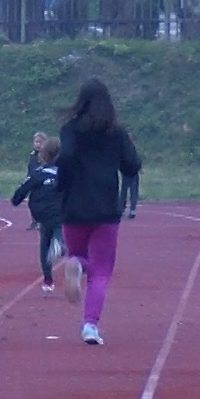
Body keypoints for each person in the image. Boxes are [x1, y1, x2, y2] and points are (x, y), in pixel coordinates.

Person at [55, 79, 142, 345]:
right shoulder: (116, 133)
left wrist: (62, 184)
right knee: (101, 272)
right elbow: (132, 165)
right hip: (105, 207)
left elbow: (65, 157)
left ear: (80, 101)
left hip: (74, 206)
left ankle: (75, 264)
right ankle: (90, 326)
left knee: (78, 255)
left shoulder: (70, 130)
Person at [10, 135, 64, 293]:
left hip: (42, 212)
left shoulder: (37, 174)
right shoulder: (67, 174)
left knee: (44, 242)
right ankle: (60, 242)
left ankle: (48, 281)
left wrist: (15, 200)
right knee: (60, 227)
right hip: (61, 211)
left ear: (43, 155)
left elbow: (22, 190)